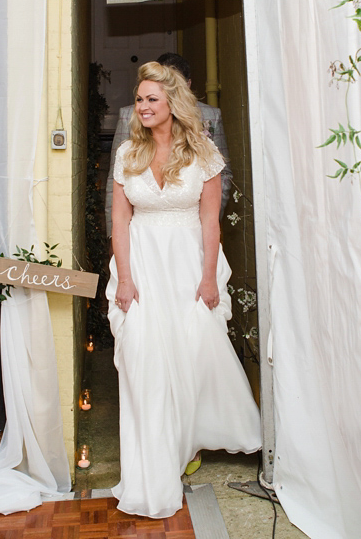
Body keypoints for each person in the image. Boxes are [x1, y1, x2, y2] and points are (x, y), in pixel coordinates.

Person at [106, 62, 260, 518]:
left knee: (189, 357)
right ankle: (150, 464)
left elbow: (210, 221)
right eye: (140, 99)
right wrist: (126, 278)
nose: (144, 106)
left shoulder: (204, 155)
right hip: (142, 269)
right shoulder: (127, 155)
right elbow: (119, 220)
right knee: (143, 359)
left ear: (173, 103)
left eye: (152, 98)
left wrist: (209, 276)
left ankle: (182, 439)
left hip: (188, 268)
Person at [106, 52, 233, 229]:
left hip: (192, 227)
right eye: (140, 99)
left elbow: (223, 174)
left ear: (185, 86)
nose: (144, 106)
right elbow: (116, 178)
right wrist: (114, 233)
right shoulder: (129, 117)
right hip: (141, 229)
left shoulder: (211, 116)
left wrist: (207, 216)